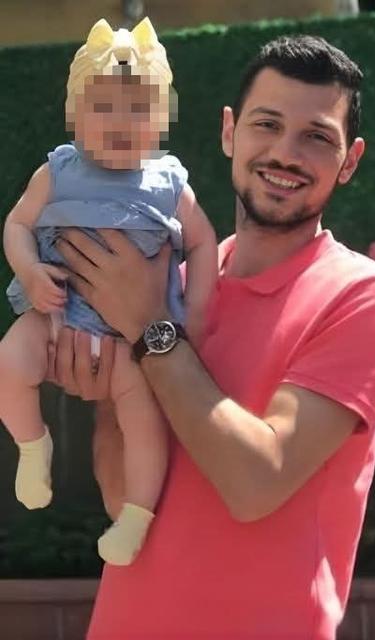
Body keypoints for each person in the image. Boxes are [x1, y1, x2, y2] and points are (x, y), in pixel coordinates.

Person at [54, 34, 375, 640]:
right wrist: (111, 392)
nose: (285, 153)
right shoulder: (169, 288)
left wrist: (148, 330)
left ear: (349, 161)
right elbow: (123, 499)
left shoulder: (365, 296)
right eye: (266, 125)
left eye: (317, 137)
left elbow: (255, 483)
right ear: (229, 132)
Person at [0, 17, 217, 566]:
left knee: (143, 423)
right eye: (103, 108)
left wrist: (195, 310)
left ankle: (135, 517)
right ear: (74, 114)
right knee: (7, 363)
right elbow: (17, 224)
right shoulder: (58, 170)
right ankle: (32, 444)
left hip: (130, 341)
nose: (121, 122)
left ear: (162, 118)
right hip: (54, 316)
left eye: (139, 109)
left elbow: (203, 243)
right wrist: (30, 271)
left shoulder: (170, 182)